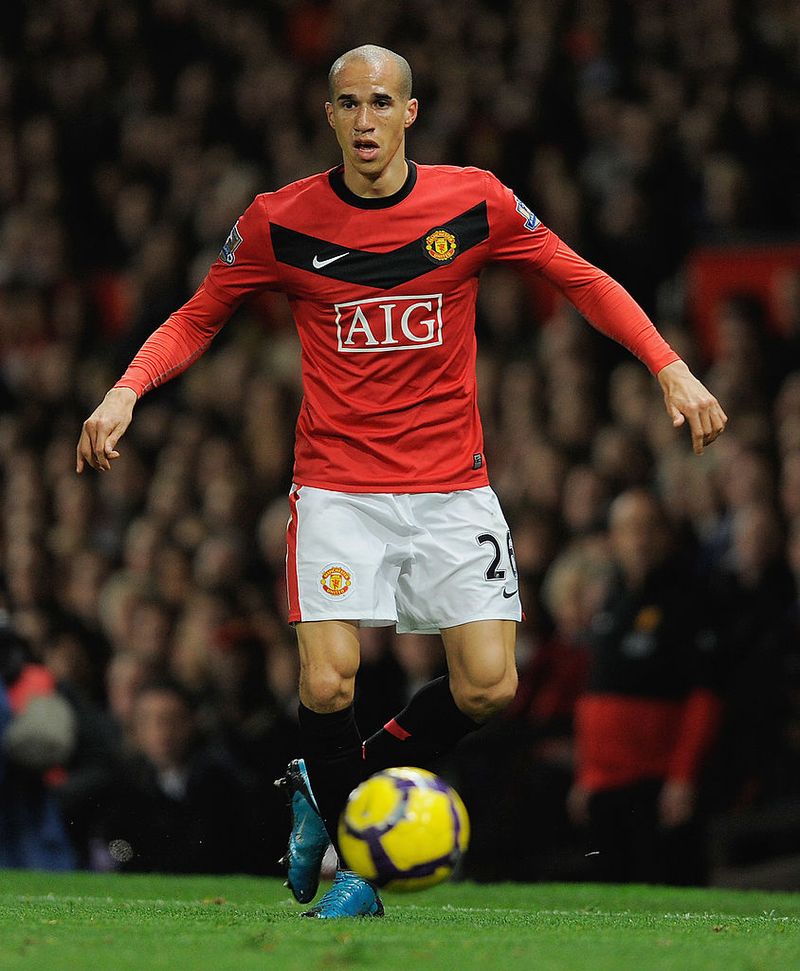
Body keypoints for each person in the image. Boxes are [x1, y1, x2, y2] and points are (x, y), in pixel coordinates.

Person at [76, 45, 727, 917]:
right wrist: (126, 390)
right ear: (330, 116)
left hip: (451, 486)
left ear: (410, 113)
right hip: (338, 485)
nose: (366, 119)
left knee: (490, 684)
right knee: (328, 679)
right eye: (349, 104)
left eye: (382, 102)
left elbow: (578, 276)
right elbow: (200, 315)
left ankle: (325, 786)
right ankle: (357, 867)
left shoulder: (475, 200)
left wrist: (669, 366)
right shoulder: (280, 220)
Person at [567, 490, 724, 885]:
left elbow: (704, 697)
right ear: (613, 540)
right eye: (626, 529)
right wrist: (586, 775)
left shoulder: (690, 599)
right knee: (609, 902)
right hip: (605, 786)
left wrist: (683, 776)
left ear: (666, 535)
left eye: (647, 528)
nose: (637, 540)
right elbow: (594, 694)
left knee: (669, 894)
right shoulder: (611, 600)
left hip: (657, 785)